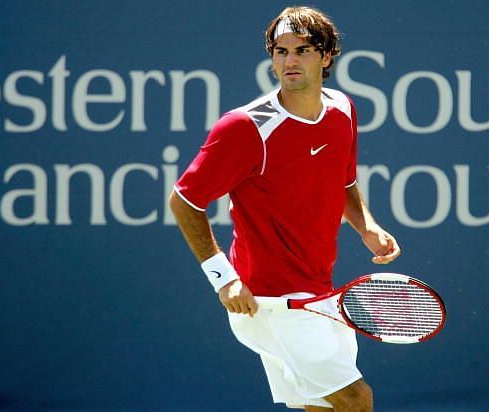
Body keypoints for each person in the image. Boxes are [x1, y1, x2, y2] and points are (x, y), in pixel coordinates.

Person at [169, 6, 400, 411]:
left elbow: (343, 181)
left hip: (318, 294)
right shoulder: (245, 128)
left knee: (322, 408)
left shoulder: (342, 110)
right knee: (355, 400)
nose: (289, 61)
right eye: (281, 51)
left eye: (303, 50)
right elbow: (185, 200)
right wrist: (223, 277)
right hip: (269, 303)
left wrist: (366, 226)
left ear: (327, 56)